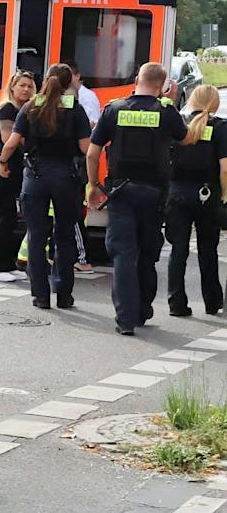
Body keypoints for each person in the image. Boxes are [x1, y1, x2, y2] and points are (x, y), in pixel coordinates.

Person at [86, 62, 186, 336]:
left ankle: (126, 319)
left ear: (136, 79)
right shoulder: (166, 112)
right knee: (147, 253)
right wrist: (171, 101)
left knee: (123, 255)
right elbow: (185, 138)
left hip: (120, 192)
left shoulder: (115, 108)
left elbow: (93, 153)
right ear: (162, 85)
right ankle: (142, 311)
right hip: (154, 194)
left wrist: (93, 185)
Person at [0, 64, 92, 312]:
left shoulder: (31, 107)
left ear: (47, 81)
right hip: (66, 179)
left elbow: (12, 142)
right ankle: (63, 294)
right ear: (67, 83)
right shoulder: (76, 110)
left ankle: (40, 295)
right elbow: (86, 148)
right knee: (64, 236)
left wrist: (2, 162)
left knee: (37, 236)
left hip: (35, 177)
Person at [164, 83, 227, 318]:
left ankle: (176, 303)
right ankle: (212, 302)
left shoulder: (179, 124)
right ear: (214, 103)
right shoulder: (220, 128)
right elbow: (225, 169)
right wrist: (223, 195)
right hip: (207, 194)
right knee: (207, 250)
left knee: (177, 250)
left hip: (177, 192)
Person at [0, 70, 36, 282]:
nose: (26, 89)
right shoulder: (7, 110)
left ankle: (6, 264)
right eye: (22, 85)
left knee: (13, 219)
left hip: (16, 169)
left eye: (30, 86)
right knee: (6, 217)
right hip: (5, 169)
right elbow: (7, 138)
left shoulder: (24, 110)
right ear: (12, 87)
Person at [64, 62, 104, 277]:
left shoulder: (85, 99)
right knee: (70, 216)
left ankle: (81, 258)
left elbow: (90, 137)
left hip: (68, 169)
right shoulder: (75, 105)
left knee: (74, 216)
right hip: (69, 170)